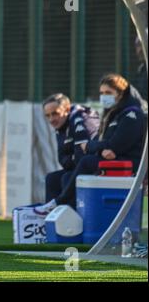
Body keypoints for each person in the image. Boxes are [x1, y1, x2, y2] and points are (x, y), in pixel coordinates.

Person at [34, 74, 147, 215]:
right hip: (113, 160)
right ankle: (54, 218)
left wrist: (90, 147)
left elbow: (114, 146)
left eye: (108, 93)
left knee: (85, 163)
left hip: (130, 165)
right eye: (102, 93)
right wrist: (99, 148)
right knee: (53, 178)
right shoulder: (112, 114)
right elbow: (102, 145)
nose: (104, 96)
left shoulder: (132, 114)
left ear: (120, 93)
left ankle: (60, 203)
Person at [41, 93, 100, 209]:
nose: (51, 119)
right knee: (51, 178)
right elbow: (62, 159)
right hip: (78, 168)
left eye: (55, 114)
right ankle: (51, 219)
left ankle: (71, 223)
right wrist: (72, 157)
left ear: (67, 109)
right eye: (47, 116)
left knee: (67, 177)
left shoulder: (81, 119)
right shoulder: (61, 126)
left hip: (97, 168)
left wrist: (71, 158)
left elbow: (82, 157)